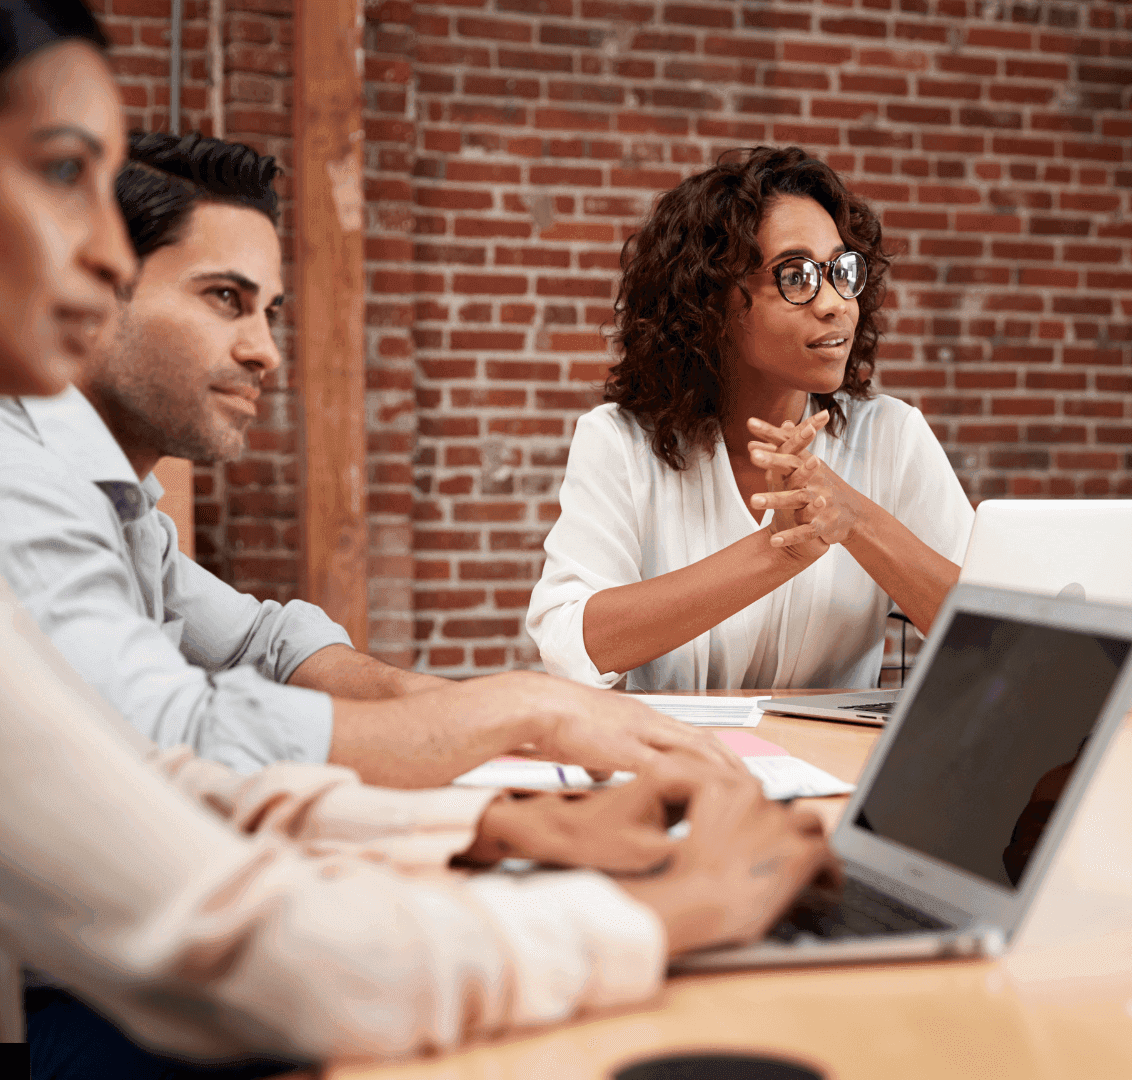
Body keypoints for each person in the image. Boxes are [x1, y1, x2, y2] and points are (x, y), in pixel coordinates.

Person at [0, 6, 835, 1075]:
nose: (105, 252)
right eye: (62, 172)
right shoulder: (23, 474)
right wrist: (653, 899)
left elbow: (175, 757)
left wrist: (485, 830)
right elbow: (225, 909)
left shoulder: (110, 498)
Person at [0, 125, 736, 787]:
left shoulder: (122, 505)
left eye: (269, 312)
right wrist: (522, 710)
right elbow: (171, 729)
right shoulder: (20, 480)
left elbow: (266, 643)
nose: (265, 353)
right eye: (225, 297)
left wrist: (468, 715)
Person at [528, 146, 975, 690]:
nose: (836, 303)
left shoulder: (892, 437)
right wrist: (775, 553)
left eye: (841, 271)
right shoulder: (619, 443)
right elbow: (571, 646)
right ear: (710, 301)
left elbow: (996, 641)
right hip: (678, 744)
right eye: (797, 276)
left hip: (827, 748)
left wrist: (856, 519)